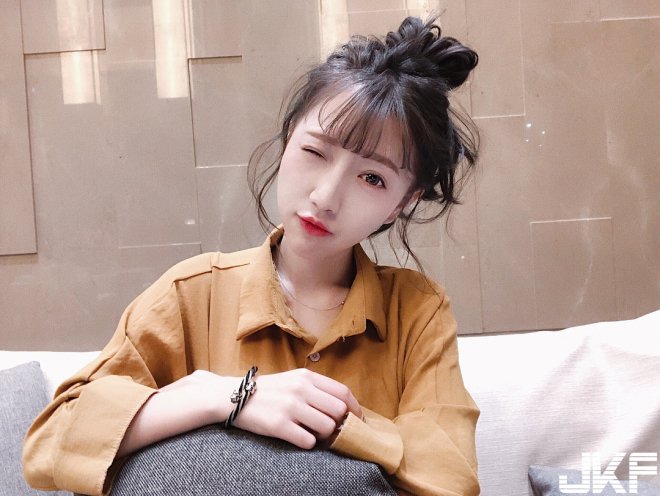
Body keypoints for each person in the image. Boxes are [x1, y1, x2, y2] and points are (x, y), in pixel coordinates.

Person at [23, 16, 480, 496]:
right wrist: (223, 396)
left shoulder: (418, 310)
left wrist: (331, 420)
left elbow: (451, 477)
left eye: (373, 178)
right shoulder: (193, 292)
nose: (326, 196)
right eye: (315, 152)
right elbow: (52, 441)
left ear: (403, 202)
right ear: (287, 140)